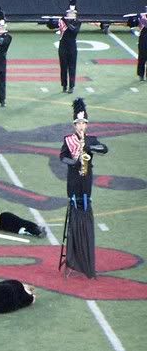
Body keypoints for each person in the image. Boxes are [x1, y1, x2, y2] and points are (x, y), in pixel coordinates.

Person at [59, 98, 108, 278]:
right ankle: (72, 258)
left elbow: (104, 149)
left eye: (83, 123)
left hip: (86, 180)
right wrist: (74, 161)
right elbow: (62, 156)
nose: (81, 126)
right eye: (78, 123)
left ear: (86, 125)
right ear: (74, 125)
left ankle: (86, 259)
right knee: (75, 211)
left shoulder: (91, 139)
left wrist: (88, 146)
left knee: (86, 210)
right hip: (73, 180)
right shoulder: (69, 140)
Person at [47, 0, 81, 94]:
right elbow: (51, 26)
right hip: (63, 47)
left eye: (72, 13)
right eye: (69, 13)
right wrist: (50, 21)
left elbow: (73, 30)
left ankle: (71, 86)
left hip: (72, 47)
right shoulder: (62, 21)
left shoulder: (77, 22)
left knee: (72, 67)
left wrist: (65, 21)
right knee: (63, 67)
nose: (71, 14)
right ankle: (64, 85)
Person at [125, 5, 147, 81]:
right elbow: (131, 24)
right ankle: (141, 74)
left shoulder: (143, 18)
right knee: (142, 57)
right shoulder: (142, 17)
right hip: (144, 39)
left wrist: (141, 18)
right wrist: (132, 18)